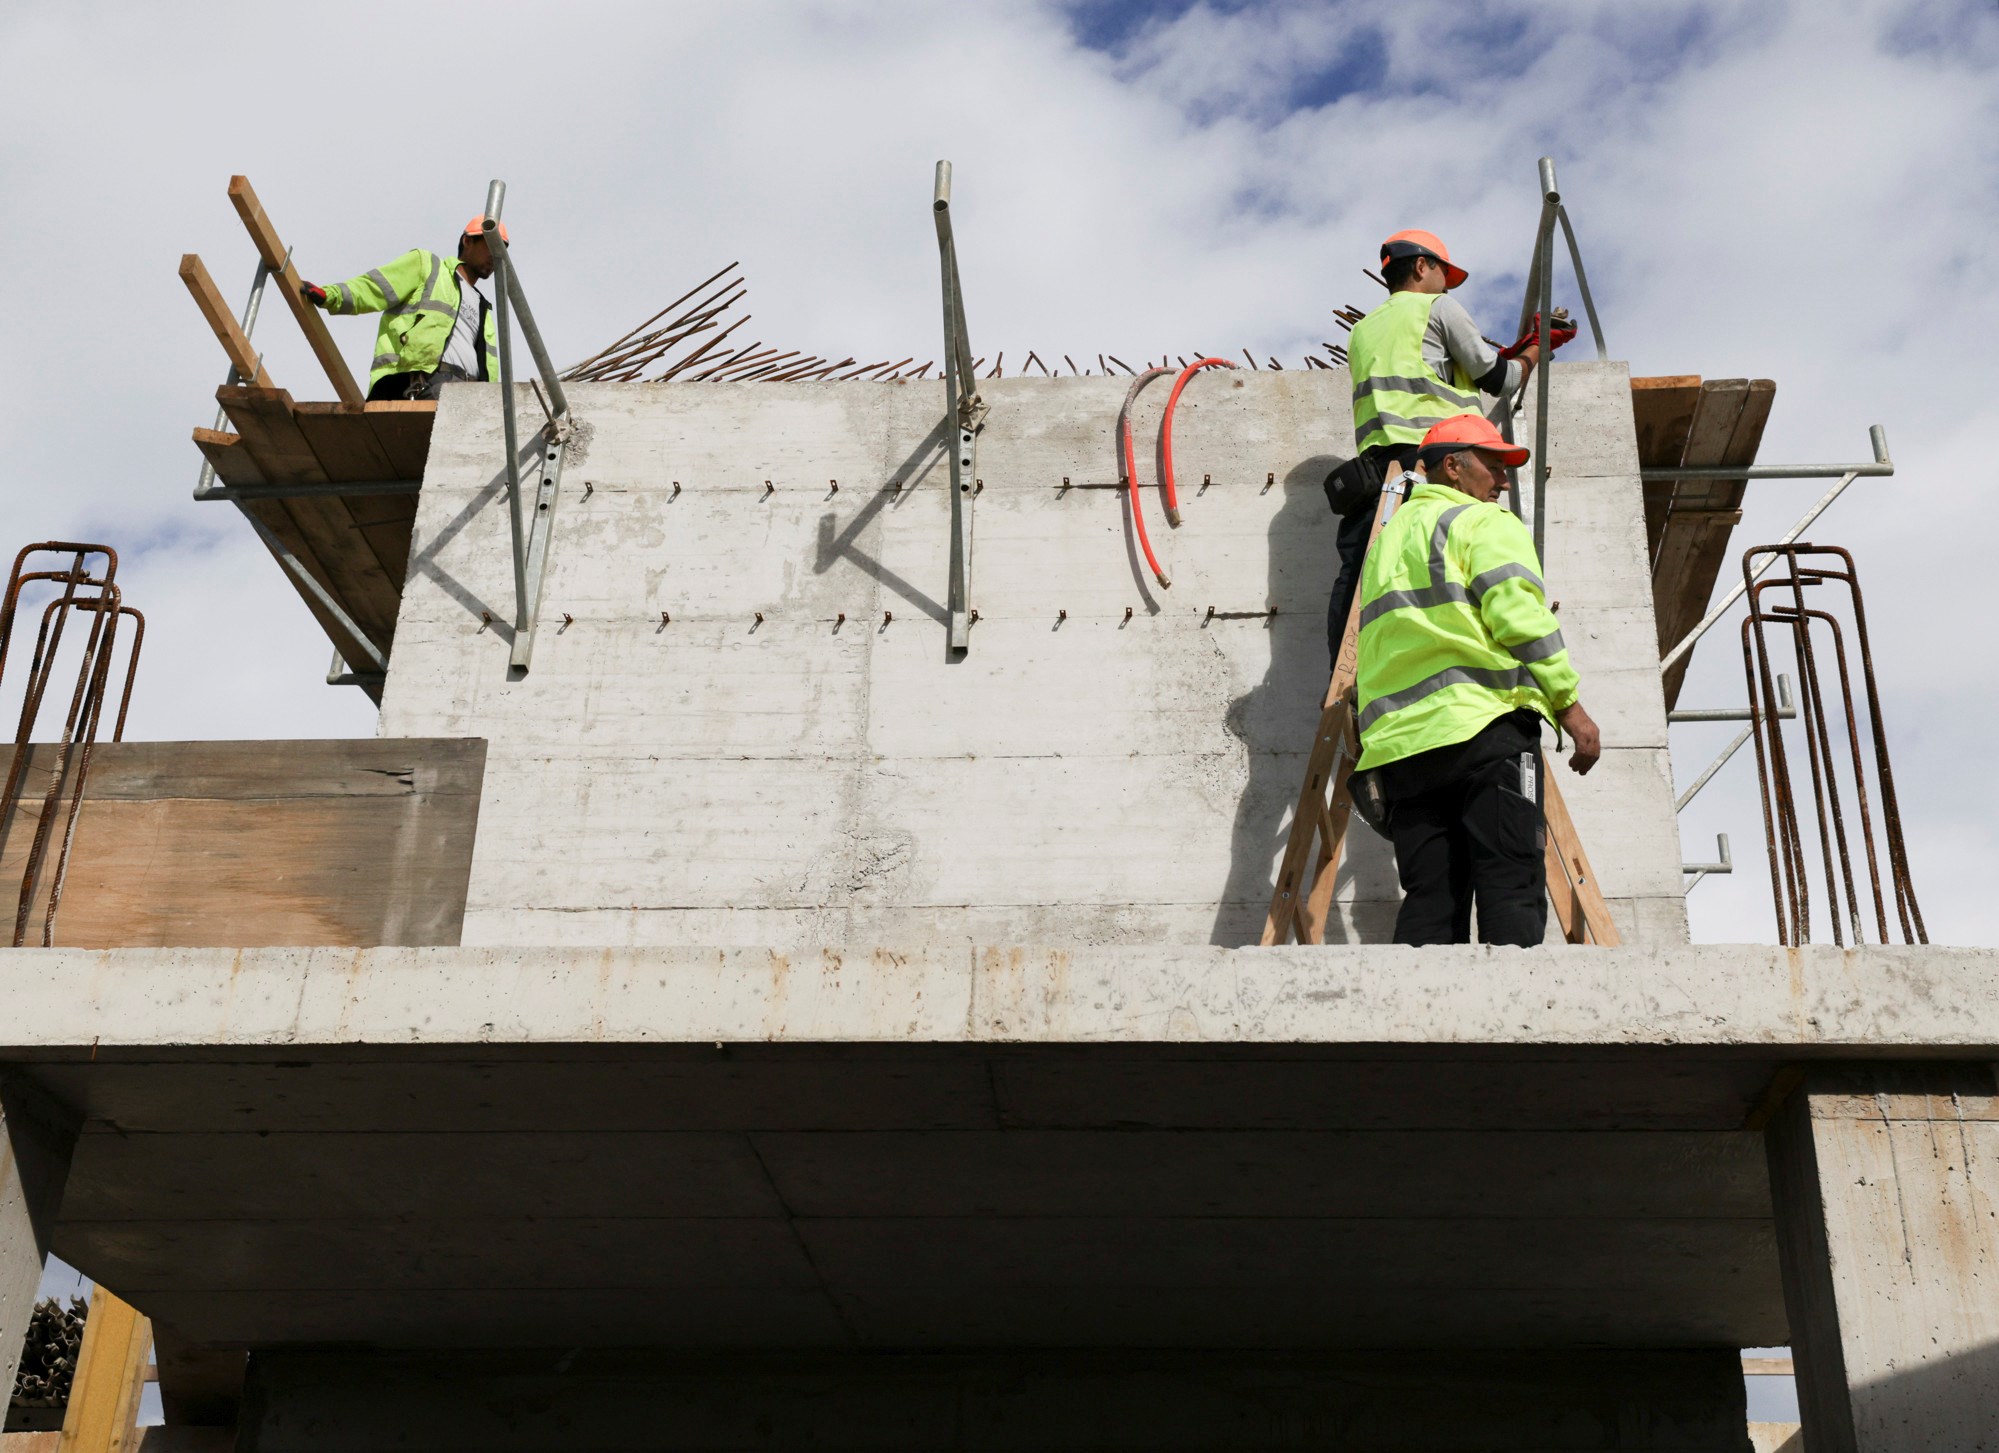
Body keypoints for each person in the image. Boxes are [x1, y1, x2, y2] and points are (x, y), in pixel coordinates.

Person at [1352, 413, 1600, 947]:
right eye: (1494, 466)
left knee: (1431, 901)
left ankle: (1421, 1027)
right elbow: (1520, 618)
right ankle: (1514, 1026)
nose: (1503, 481)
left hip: (1403, 753)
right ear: (1454, 467)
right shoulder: (1481, 523)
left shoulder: (1387, 545)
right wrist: (1569, 707)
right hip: (1484, 729)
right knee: (1510, 881)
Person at [1328, 230, 1549, 662]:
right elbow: (1500, 379)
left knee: (1356, 571)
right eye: (1443, 273)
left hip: (1374, 470)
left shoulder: (1362, 330)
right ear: (1421, 266)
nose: (1447, 284)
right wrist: (1540, 348)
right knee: (1453, 563)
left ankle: (1341, 674)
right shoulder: (1438, 307)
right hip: (1436, 460)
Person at [297, 218, 507, 401]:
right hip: (427, 382)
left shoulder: (483, 307)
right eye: (491, 246)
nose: (495, 256)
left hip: (472, 393)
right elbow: (376, 287)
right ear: (467, 241)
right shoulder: (429, 267)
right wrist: (332, 296)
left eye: (501, 251)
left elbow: (490, 369)